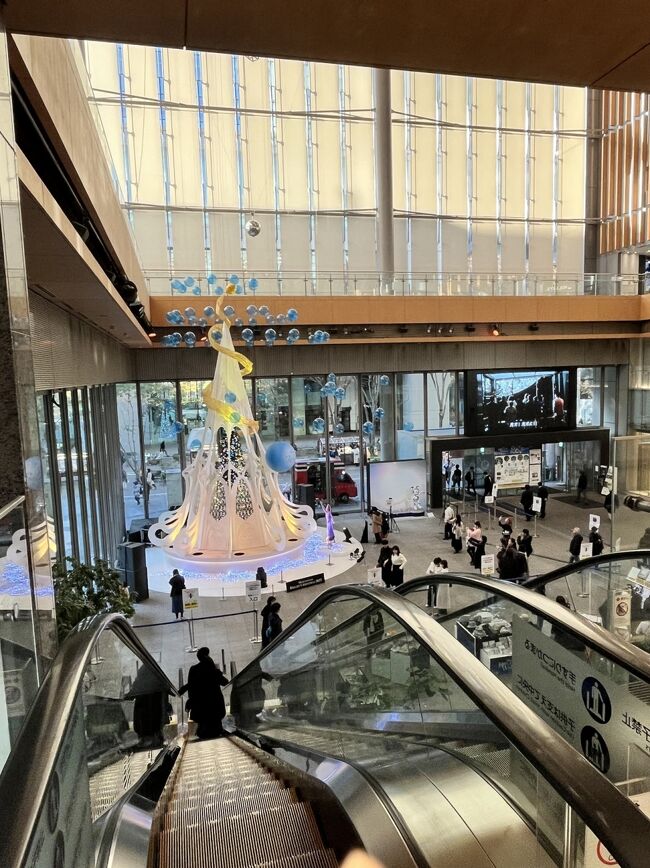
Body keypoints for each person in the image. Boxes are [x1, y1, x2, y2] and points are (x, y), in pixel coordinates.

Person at [179, 647, 229, 739]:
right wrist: (218, 672)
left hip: (199, 708)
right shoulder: (212, 669)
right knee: (214, 723)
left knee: (204, 724)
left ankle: (203, 732)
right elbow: (226, 682)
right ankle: (217, 730)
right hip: (215, 706)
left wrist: (182, 692)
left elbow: (190, 685)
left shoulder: (193, 669)